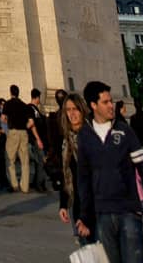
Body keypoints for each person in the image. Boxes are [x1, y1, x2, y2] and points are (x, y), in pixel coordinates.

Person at [77, 79, 143, 262]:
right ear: (93, 105)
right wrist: (84, 216)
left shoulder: (125, 132)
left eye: (111, 101)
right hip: (102, 214)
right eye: (106, 102)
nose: (112, 105)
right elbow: (83, 179)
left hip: (128, 211)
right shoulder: (85, 136)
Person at [58, 92, 90, 238]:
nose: (72, 113)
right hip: (76, 201)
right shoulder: (66, 140)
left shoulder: (92, 135)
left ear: (82, 109)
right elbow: (65, 172)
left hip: (93, 201)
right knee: (85, 249)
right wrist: (63, 204)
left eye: (75, 109)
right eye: (68, 110)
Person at [2, 84, 31, 193]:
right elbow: (30, 122)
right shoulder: (24, 105)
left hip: (13, 132)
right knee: (24, 160)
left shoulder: (8, 104)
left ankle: (14, 184)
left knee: (10, 159)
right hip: (23, 132)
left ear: (11, 92)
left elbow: (3, 118)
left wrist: (9, 123)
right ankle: (25, 186)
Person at [27, 87, 49, 192]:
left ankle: (37, 182)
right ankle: (40, 184)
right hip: (36, 139)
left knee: (38, 161)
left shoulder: (35, 109)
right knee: (41, 161)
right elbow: (32, 125)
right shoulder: (31, 109)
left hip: (38, 138)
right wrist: (38, 139)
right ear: (37, 97)